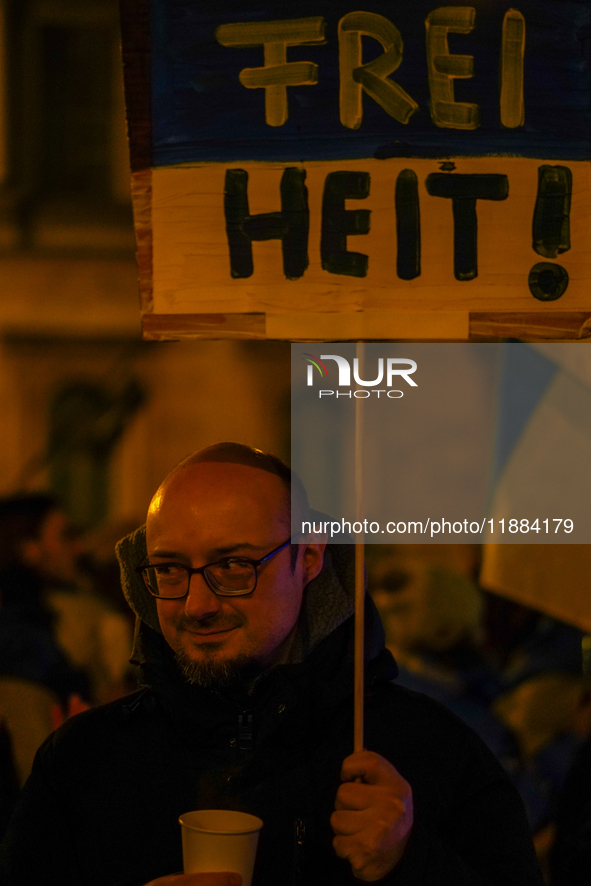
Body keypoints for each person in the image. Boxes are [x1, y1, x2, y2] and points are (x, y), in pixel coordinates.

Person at [0, 444, 544, 886]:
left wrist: (410, 862)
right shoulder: (84, 761)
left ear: (306, 558)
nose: (197, 605)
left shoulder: (425, 750)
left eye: (234, 565)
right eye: (169, 570)